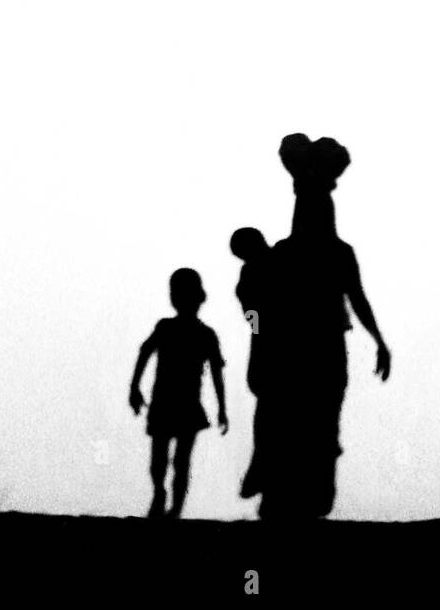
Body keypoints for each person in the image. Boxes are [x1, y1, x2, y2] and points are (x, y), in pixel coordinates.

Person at [257, 134, 391, 519]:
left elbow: (259, 310)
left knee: (301, 420)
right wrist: (379, 341)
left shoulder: (289, 254)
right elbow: (357, 298)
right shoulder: (331, 252)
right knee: (315, 422)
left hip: (301, 346)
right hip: (318, 346)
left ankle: (296, 496)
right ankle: (308, 497)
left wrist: (258, 335)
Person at [129, 268, 228, 518]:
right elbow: (216, 373)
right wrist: (222, 409)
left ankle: (168, 501)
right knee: (173, 460)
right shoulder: (201, 333)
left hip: (171, 402)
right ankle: (169, 502)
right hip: (179, 403)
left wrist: (135, 386)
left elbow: (144, 353)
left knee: (167, 458)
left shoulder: (184, 331)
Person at [229, 227, 272, 499]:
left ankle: (261, 468)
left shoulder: (252, 273)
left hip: (267, 346)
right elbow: (252, 314)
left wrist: (259, 329)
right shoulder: (272, 264)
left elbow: (251, 314)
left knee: (267, 413)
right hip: (270, 345)